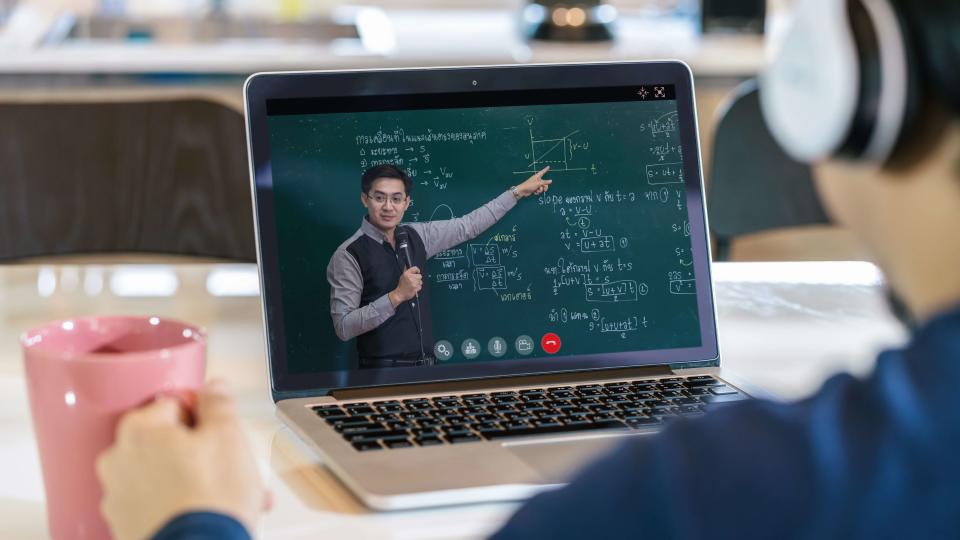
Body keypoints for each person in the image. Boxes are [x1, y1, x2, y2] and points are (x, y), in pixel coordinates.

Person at [96, 0, 960, 537]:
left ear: (858, 87)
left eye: (404, 199)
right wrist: (391, 299)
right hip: (377, 390)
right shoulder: (349, 257)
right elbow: (339, 326)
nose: (396, 209)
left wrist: (191, 524)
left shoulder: (692, 496)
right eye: (385, 199)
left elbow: (471, 223)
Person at [327, 163, 552, 368]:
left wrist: (517, 192)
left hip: (428, 369)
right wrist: (396, 296)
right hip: (382, 374)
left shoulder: (417, 235)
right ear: (365, 199)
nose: (388, 207)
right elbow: (344, 327)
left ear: (406, 203)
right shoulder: (348, 255)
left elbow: (468, 225)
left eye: (396, 199)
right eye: (379, 198)